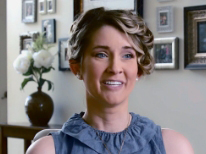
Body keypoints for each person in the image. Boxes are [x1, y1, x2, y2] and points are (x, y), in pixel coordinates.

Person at [26, 7, 194, 154]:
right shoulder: (46, 151)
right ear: (77, 67)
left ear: (139, 69)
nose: (115, 68)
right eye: (101, 54)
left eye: (127, 55)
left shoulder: (174, 147)